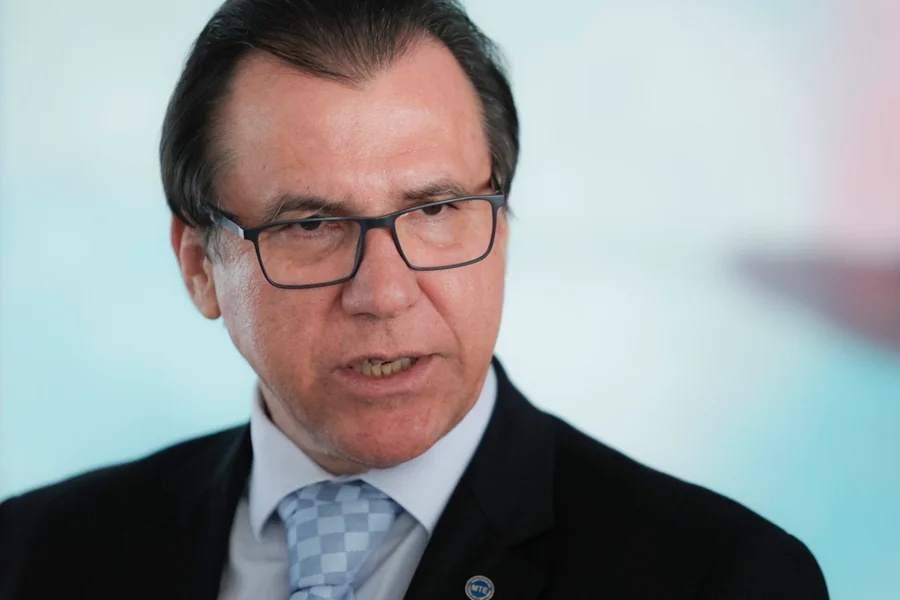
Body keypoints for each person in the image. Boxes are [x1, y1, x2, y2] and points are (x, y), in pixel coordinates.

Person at [0, 1, 829, 598]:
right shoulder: (33, 557)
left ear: (501, 225)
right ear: (198, 266)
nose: (385, 293)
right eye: (312, 224)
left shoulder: (723, 577)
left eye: (435, 211)